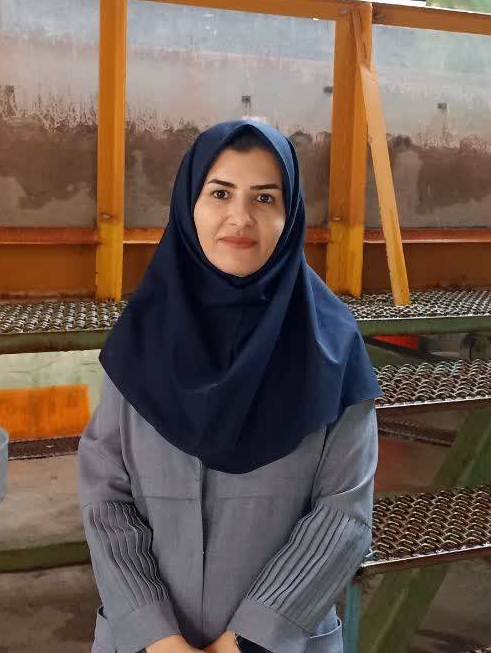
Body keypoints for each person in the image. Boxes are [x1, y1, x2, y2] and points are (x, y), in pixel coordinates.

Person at [78, 120, 381, 653]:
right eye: (220, 193)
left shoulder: (332, 346)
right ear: (188, 205)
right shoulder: (141, 339)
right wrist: (157, 637)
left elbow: (343, 513)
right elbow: (105, 496)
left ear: (290, 215)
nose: (240, 217)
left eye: (264, 198)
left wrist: (244, 641)